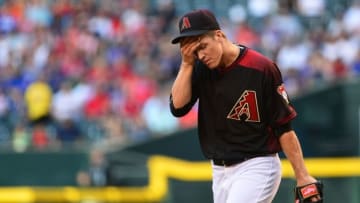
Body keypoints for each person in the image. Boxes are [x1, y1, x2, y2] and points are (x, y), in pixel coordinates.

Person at [169, 9, 322, 203]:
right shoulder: (199, 68)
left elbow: (283, 127)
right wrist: (186, 65)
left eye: (203, 46)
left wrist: (302, 175)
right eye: (194, 51)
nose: (201, 55)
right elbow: (178, 108)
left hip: (257, 165)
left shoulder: (260, 68)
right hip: (219, 171)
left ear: (219, 35)